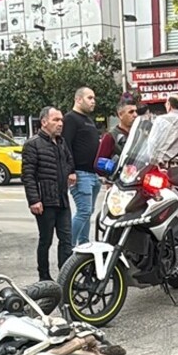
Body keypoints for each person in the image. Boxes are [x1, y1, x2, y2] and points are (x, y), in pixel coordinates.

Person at [22, 106, 75, 281]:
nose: (60, 124)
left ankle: (66, 274)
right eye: (56, 120)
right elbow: (27, 175)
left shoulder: (61, 142)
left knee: (66, 239)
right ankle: (44, 276)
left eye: (61, 120)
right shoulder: (33, 144)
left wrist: (71, 172)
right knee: (46, 240)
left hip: (62, 199)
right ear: (44, 122)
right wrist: (34, 200)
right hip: (45, 201)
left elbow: (69, 160)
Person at [63, 87, 101, 245]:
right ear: (78, 99)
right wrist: (71, 171)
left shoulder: (88, 120)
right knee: (84, 211)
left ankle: (84, 245)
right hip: (80, 173)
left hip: (93, 174)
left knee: (88, 211)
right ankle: (69, 246)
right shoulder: (70, 119)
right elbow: (66, 145)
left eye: (94, 98)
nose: (93, 101)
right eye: (89, 98)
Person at [148, 92, 178, 163]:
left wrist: (152, 161)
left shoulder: (160, 120)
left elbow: (152, 142)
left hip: (164, 164)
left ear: (169, 105)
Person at [96, 97, 137, 169]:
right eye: (131, 112)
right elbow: (99, 164)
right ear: (120, 115)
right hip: (120, 178)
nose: (135, 115)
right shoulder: (110, 136)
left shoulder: (140, 134)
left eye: (136, 111)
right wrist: (114, 168)